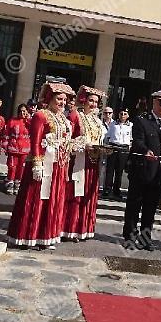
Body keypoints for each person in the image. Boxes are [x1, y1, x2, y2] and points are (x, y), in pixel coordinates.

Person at [6, 80, 77, 249]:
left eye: (64, 100)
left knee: (53, 200)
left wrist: (75, 145)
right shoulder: (41, 115)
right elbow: (37, 141)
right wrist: (37, 163)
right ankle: (28, 235)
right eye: (59, 99)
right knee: (37, 198)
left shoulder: (63, 118)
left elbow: (65, 141)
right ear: (50, 98)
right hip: (43, 164)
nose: (62, 102)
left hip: (59, 166)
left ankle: (47, 235)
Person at [123, 90, 161, 250]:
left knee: (150, 208)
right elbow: (138, 141)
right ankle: (130, 237)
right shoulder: (141, 121)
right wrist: (145, 150)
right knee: (134, 206)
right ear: (154, 102)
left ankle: (145, 238)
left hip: (158, 174)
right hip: (141, 171)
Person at [64, 86, 106, 242]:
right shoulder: (76, 116)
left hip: (93, 163)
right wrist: (84, 145)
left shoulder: (97, 121)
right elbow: (67, 140)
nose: (94, 104)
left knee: (89, 194)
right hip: (79, 161)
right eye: (91, 101)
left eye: (96, 102)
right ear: (84, 101)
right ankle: (70, 229)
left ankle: (83, 229)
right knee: (75, 193)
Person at [102, 108, 132, 199]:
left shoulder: (130, 125)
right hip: (113, 146)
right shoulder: (113, 124)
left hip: (123, 148)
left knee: (119, 171)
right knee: (110, 170)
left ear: (128, 115)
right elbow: (108, 136)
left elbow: (131, 139)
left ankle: (116, 190)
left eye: (125, 114)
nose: (123, 115)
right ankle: (107, 189)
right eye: (121, 113)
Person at [3, 103, 31, 195]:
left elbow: (35, 130)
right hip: (13, 148)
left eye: (24, 111)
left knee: (21, 168)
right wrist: (5, 146)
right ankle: (10, 182)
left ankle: (18, 183)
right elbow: (6, 134)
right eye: (21, 111)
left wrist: (28, 119)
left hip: (24, 150)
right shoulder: (12, 121)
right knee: (12, 167)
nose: (22, 113)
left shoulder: (29, 122)